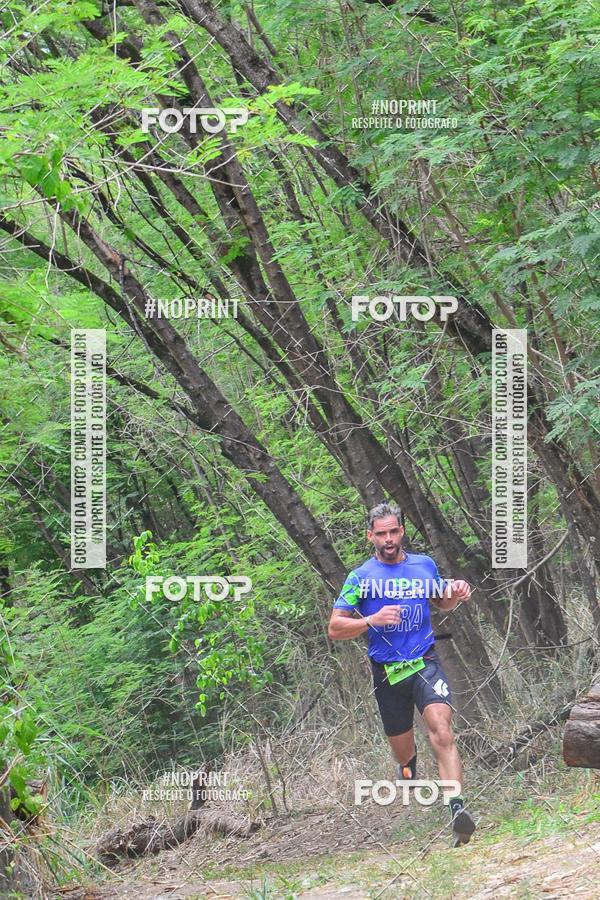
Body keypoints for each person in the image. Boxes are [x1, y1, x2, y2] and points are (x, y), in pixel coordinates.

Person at [327, 502, 476, 846]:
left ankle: (457, 809)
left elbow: (441, 601)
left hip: (424, 662)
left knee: (441, 728)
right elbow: (335, 628)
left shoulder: (424, 565)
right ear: (370, 536)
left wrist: (456, 593)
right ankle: (407, 767)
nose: (389, 538)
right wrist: (370, 621)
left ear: (402, 531)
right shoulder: (360, 578)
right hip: (387, 673)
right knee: (404, 754)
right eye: (382, 533)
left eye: (394, 531)